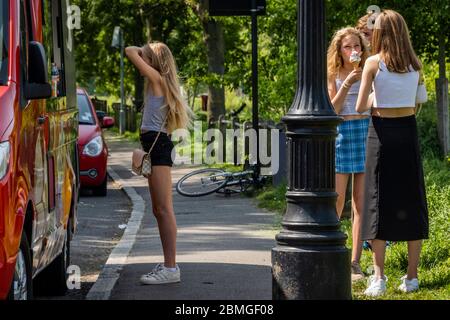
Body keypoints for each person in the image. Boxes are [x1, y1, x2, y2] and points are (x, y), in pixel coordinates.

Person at [356, 10, 429, 297]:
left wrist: (377, 94)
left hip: (382, 132)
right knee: (412, 199)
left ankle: (378, 277)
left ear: (380, 33)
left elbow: (362, 105)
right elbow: (419, 99)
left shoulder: (373, 63)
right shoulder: (415, 63)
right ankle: (412, 277)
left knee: (377, 199)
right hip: (408, 133)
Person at [125, 41, 192, 284]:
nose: (142, 58)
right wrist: (149, 51)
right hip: (154, 146)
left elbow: (129, 51)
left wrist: (142, 51)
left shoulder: (157, 79)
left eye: (147, 56)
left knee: (163, 209)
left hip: (159, 147)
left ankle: (171, 269)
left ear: (153, 61)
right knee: (158, 209)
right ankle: (168, 264)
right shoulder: (157, 82)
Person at [327, 27, 370, 282]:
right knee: (337, 199)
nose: (353, 51)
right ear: (339, 51)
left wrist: (361, 77)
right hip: (342, 131)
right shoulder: (333, 73)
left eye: (357, 46)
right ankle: (334, 254)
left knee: (361, 203)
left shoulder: (368, 70)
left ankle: (355, 261)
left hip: (365, 130)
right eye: (347, 47)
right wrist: (347, 82)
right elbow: (333, 108)